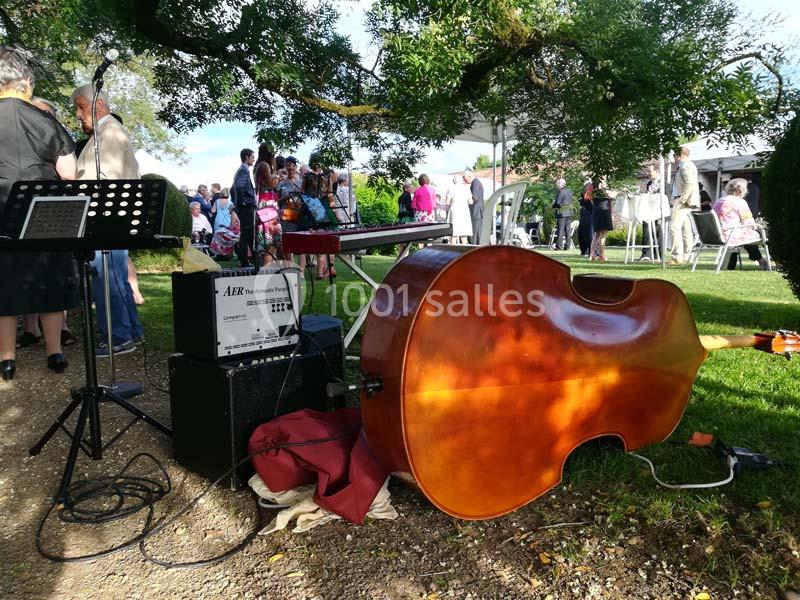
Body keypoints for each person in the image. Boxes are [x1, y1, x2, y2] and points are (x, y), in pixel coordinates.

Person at [0, 47, 79, 379]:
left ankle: (6, 358)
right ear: (27, 82)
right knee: (49, 280)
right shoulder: (46, 120)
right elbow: (69, 172)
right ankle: (55, 352)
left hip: (1, 212)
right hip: (42, 213)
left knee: (3, 283)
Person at [72, 83, 144, 357]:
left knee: (107, 277)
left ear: (97, 105)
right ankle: (130, 332)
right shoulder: (104, 132)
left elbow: (109, 180)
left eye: (80, 107)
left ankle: (118, 337)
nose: (78, 114)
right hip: (110, 219)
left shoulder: (109, 132)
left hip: (107, 219)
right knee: (115, 276)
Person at [713, 178, 769, 270]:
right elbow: (748, 222)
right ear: (741, 191)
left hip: (717, 234)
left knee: (745, 234)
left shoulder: (719, 201)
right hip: (730, 235)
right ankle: (766, 261)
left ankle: (758, 261)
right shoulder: (740, 202)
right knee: (757, 233)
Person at [669, 146, 699, 265]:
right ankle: (687, 255)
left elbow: (690, 183)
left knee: (674, 227)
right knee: (685, 228)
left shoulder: (685, 165)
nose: (674, 158)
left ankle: (677, 256)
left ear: (679, 155)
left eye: (674, 156)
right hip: (687, 201)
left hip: (683, 200)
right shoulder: (688, 165)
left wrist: (682, 198)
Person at [232, 148, 257, 267]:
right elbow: (238, 187)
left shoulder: (242, 170)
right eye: (252, 157)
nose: (254, 159)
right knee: (246, 233)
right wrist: (243, 202)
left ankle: (248, 260)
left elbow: (233, 189)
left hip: (244, 207)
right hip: (246, 208)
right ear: (246, 157)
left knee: (246, 234)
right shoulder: (243, 170)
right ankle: (245, 261)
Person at [640, 165, 662, 261]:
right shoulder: (649, 183)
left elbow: (665, 198)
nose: (648, 174)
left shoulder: (663, 182)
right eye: (648, 171)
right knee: (646, 231)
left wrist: (661, 215)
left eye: (650, 171)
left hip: (658, 211)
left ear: (656, 171)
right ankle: (646, 254)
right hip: (648, 211)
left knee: (658, 233)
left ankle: (658, 255)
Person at [589, 177, 613, 262]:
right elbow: (612, 195)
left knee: (596, 235)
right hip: (604, 211)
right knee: (603, 235)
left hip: (595, 211)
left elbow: (591, 201)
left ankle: (592, 254)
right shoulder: (604, 190)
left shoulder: (592, 189)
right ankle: (602, 255)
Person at [446, 174, 472, 244]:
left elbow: (447, 202)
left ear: (454, 181)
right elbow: (471, 202)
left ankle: (453, 251)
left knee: (454, 232)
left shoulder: (451, 188)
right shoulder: (466, 188)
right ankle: (464, 250)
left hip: (454, 210)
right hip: (464, 210)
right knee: (464, 232)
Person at [552, 178, 574, 250]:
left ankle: (559, 246)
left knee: (560, 230)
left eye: (557, 184)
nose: (556, 186)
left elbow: (557, 203)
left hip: (562, 213)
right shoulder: (570, 190)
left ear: (560, 184)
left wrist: (553, 205)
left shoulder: (560, 191)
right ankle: (567, 246)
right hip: (569, 212)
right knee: (568, 230)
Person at [463, 170, 484, 244]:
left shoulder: (475, 183)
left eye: (465, 179)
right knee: (477, 233)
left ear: (469, 176)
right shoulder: (476, 182)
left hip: (476, 212)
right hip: (477, 212)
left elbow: (474, 197)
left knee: (476, 234)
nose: (464, 181)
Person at [577, 179, 593, 257]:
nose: (585, 188)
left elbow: (590, 205)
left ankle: (590, 251)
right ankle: (583, 250)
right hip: (583, 215)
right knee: (581, 234)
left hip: (589, 215)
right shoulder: (584, 194)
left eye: (587, 186)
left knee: (589, 235)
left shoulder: (591, 194)